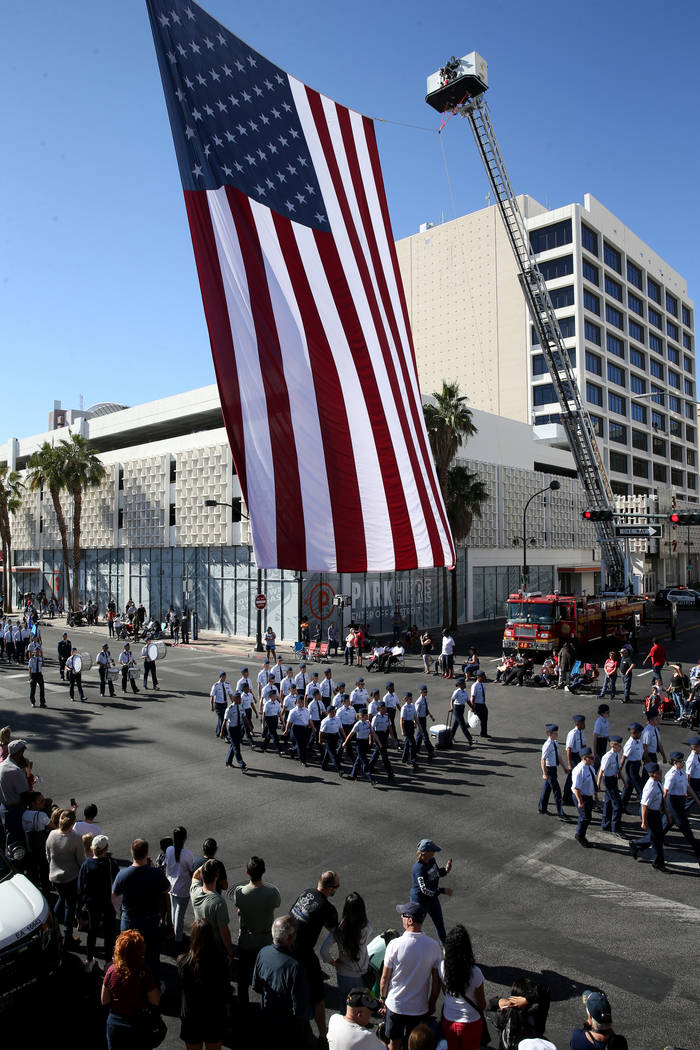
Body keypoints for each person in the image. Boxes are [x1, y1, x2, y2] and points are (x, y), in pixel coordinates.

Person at [379, 901, 441, 1050]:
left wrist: (383, 998)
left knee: (394, 1043)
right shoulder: (433, 946)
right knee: (415, 1044)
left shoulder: (394, 944)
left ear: (410, 920)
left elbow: (385, 978)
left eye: (403, 915)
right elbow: (436, 982)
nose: (401, 917)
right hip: (419, 1008)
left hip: (396, 1006)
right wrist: (431, 1003)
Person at [290, 870, 340, 1042]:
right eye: (336, 887)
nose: (336, 890)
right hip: (303, 952)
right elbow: (335, 930)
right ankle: (322, 1035)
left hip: (288, 946)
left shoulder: (307, 892)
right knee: (318, 996)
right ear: (329, 888)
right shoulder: (326, 907)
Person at [112, 838, 169, 979]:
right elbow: (167, 888)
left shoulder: (123, 874)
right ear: (146, 853)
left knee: (127, 953)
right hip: (151, 920)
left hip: (130, 919)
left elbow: (114, 895)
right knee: (152, 955)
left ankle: (128, 982)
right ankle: (153, 984)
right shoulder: (155, 873)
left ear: (132, 853)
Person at [253, 914, 313, 1049]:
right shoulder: (295, 967)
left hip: (267, 1017)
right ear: (291, 937)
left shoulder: (263, 952)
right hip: (288, 1026)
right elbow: (300, 1008)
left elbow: (256, 986)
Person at [101, 929, 160, 1050]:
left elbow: (104, 1000)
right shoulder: (144, 972)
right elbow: (155, 1001)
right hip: (138, 1026)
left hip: (115, 1025)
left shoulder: (112, 970)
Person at [234, 854, 281, 1005]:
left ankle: (243, 1006)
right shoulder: (272, 892)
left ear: (247, 872)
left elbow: (239, 907)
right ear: (264, 871)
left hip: (246, 940)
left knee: (243, 976)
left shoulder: (239, 893)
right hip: (265, 941)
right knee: (265, 977)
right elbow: (276, 904)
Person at [177, 918, 231, 1050]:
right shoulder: (220, 961)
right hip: (214, 1015)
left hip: (192, 1017)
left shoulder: (183, 963)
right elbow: (225, 990)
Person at [320, 891, 373, 1006]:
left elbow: (324, 950)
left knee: (345, 1004)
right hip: (361, 972)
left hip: (344, 972)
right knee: (361, 1006)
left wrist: (333, 962)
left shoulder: (338, 930)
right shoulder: (367, 927)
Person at [440, 924, 486, 1050]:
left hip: (449, 1019)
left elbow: (445, 991)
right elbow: (482, 1005)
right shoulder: (475, 972)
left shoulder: (443, 967)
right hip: (471, 1023)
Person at [78, 833, 119, 972]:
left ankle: (89, 960)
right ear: (105, 849)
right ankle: (108, 961)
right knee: (109, 932)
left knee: (92, 932)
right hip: (108, 903)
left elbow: (81, 886)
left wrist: (83, 902)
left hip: (92, 903)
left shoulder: (86, 864)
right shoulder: (110, 863)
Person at [46, 807, 84, 951]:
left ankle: (54, 928)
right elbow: (80, 860)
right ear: (73, 822)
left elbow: (48, 855)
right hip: (70, 878)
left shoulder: (51, 834)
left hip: (55, 876)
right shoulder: (75, 838)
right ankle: (68, 936)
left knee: (61, 899)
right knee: (70, 905)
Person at [189, 858, 233, 964]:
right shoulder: (218, 902)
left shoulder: (194, 891)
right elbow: (224, 930)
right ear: (216, 877)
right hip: (214, 945)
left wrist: (205, 866)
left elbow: (195, 875)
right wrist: (230, 951)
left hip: (198, 941)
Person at [410, 839, 453, 944]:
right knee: (414, 928)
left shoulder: (432, 861)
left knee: (440, 924)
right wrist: (442, 890)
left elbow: (436, 873)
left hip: (432, 899)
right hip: (420, 902)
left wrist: (445, 871)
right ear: (425, 853)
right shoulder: (418, 868)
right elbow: (424, 889)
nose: (434, 853)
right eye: (432, 851)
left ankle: (446, 950)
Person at [663, 750, 700, 862]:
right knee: (685, 827)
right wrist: (661, 808)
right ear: (675, 762)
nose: (683, 763)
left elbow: (688, 787)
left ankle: (639, 844)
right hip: (673, 803)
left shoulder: (681, 772)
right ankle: (698, 850)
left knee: (663, 827)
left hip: (680, 801)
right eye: (680, 761)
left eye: (683, 761)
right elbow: (665, 793)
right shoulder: (671, 775)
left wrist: (697, 800)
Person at [165, 826, 195, 948]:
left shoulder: (169, 850)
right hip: (183, 886)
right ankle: (178, 938)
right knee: (179, 913)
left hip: (171, 884)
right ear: (185, 838)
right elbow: (191, 868)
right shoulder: (187, 853)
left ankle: (176, 933)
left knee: (174, 910)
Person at [0, 739, 32, 849]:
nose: (24, 755)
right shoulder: (15, 771)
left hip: (4, 807)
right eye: (22, 752)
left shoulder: (3, 765)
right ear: (18, 753)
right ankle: (16, 862)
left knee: (9, 835)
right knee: (16, 840)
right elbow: (25, 795)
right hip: (15, 810)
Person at [597, 737, 624, 834]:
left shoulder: (617, 754)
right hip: (608, 780)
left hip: (613, 779)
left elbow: (618, 769)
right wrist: (598, 785)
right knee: (617, 804)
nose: (621, 747)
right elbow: (601, 771)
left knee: (608, 802)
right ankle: (615, 827)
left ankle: (605, 824)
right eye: (618, 745)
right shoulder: (608, 756)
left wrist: (624, 782)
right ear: (613, 745)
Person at [572, 748, 598, 848]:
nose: (593, 759)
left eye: (593, 757)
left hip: (588, 796)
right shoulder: (579, 770)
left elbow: (593, 782)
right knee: (585, 817)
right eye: (591, 758)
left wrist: (595, 795)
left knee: (586, 817)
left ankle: (580, 832)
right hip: (581, 797)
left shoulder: (590, 767)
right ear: (584, 758)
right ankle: (580, 836)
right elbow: (576, 788)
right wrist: (580, 802)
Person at [539, 724, 564, 817]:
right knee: (557, 791)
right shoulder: (547, 745)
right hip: (549, 770)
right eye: (555, 733)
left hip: (554, 769)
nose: (557, 734)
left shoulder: (555, 742)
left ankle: (542, 808)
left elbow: (558, 756)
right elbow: (543, 760)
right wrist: (545, 773)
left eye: (557, 733)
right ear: (549, 734)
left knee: (546, 789)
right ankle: (560, 812)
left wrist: (564, 767)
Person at [620, 722, 644, 813]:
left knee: (628, 787)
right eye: (639, 733)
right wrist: (619, 770)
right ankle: (644, 806)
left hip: (636, 765)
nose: (640, 735)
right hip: (631, 767)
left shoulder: (638, 741)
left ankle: (622, 805)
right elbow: (624, 757)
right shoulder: (630, 744)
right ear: (634, 733)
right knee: (639, 787)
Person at [563, 715, 587, 808]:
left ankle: (576, 796)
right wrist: (569, 764)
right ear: (578, 724)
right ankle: (566, 798)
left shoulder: (581, 732)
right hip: (574, 756)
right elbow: (568, 749)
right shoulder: (572, 734)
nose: (584, 724)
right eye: (583, 723)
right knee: (571, 778)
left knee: (579, 776)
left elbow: (584, 745)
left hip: (580, 756)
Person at [450, 678, 473, 746]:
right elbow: (452, 700)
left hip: (462, 708)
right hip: (456, 708)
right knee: (462, 724)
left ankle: (450, 738)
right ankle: (470, 739)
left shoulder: (465, 692)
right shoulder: (457, 692)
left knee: (455, 725)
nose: (465, 684)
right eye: (464, 683)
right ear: (460, 685)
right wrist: (451, 707)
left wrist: (473, 708)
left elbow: (468, 701)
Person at [210, 671, 233, 738]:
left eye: (225, 677)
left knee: (221, 719)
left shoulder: (227, 685)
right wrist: (212, 706)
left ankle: (218, 731)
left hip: (225, 704)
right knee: (222, 718)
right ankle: (225, 735)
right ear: (220, 677)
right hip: (218, 705)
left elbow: (230, 694)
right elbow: (212, 696)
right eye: (223, 677)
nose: (224, 678)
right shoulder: (216, 685)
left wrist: (233, 702)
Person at [469, 671, 489, 738]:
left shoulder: (482, 684)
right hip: (477, 705)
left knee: (484, 719)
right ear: (478, 677)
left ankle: (483, 733)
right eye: (483, 676)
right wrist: (472, 707)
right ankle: (463, 725)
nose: (484, 677)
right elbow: (473, 697)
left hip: (482, 704)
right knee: (475, 720)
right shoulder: (475, 686)